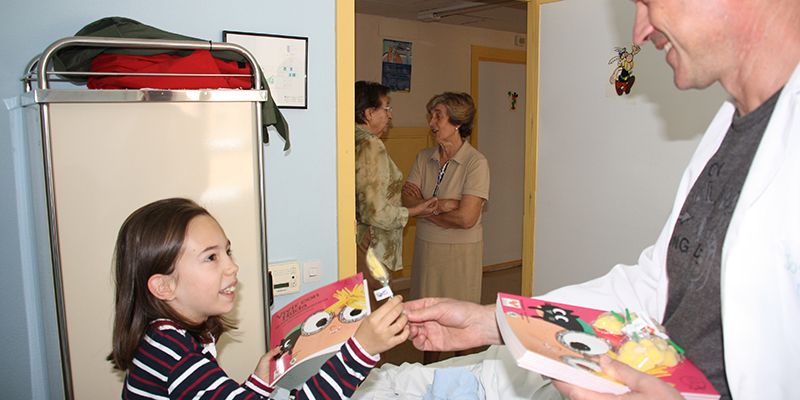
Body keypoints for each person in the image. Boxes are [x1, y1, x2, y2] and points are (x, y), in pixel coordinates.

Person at [404, 0, 800, 399]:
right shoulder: (730, 130)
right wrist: (494, 321)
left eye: (648, 2)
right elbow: (656, 285)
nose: (639, 31)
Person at [108, 197, 409, 399]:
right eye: (211, 257)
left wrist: (257, 383)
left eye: (227, 251)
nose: (232, 266)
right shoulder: (173, 354)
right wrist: (360, 351)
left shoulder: (168, 339)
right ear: (163, 287)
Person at [402, 92, 489, 363]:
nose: (431, 122)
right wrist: (444, 205)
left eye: (438, 115)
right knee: (430, 324)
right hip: (427, 250)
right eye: (431, 115)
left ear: (457, 122)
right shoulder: (423, 156)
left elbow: (466, 219)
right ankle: (430, 378)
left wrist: (425, 209)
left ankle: (466, 378)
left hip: (460, 255)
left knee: (462, 324)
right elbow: (406, 198)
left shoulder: (476, 162)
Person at [355, 81, 437, 305]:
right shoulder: (371, 145)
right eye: (387, 108)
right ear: (369, 113)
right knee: (379, 311)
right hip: (369, 243)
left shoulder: (351, 139)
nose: (390, 116)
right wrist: (414, 211)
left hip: (355, 239)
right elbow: (375, 212)